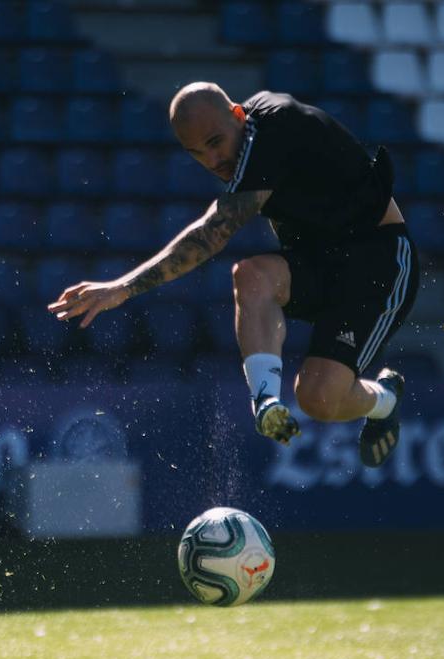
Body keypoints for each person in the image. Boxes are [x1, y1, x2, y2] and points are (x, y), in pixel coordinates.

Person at [47, 82, 419, 468]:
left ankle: (386, 399)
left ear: (239, 115)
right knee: (252, 275)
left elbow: (212, 234)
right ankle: (266, 401)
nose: (211, 160)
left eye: (215, 142)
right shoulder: (246, 142)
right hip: (318, 262)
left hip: (378, 264)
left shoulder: (275, 130)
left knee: (319, 399)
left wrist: (123, 287)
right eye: (197, 153)